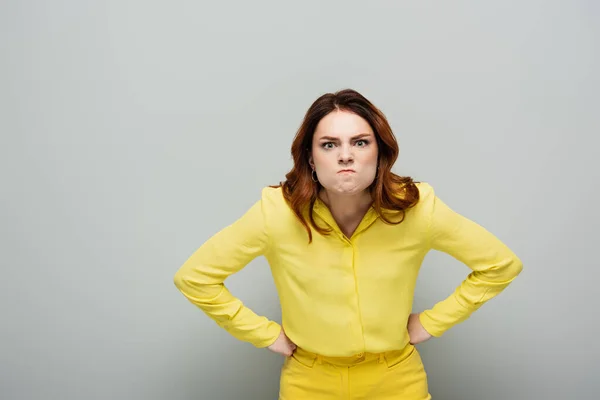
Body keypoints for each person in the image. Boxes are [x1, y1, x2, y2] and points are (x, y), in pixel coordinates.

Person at [173, 89, 523, 399]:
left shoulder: (417, 207)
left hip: (396, 380)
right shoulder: (276, 211)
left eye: (360, 142)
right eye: (329, 144)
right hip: (309, 381)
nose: (345, 156)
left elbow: (499, 265)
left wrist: (431, 322)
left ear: (380, 153)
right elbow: (195, 278)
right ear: (311, 158)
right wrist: (266, 335)